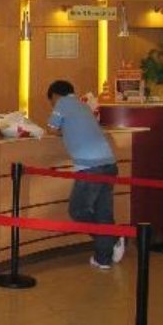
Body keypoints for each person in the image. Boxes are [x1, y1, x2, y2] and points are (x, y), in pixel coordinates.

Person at [46, 80, 125, 269]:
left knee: (78, 211)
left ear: (55, 96)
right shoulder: (83, 105)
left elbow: (51, 129)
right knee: (103, 213)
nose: (52, 105)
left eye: (51, 101)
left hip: (90, 167)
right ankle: (103, 259)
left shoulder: (62, 103)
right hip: (109, 163)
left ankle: (113, 238)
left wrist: (63, 131)